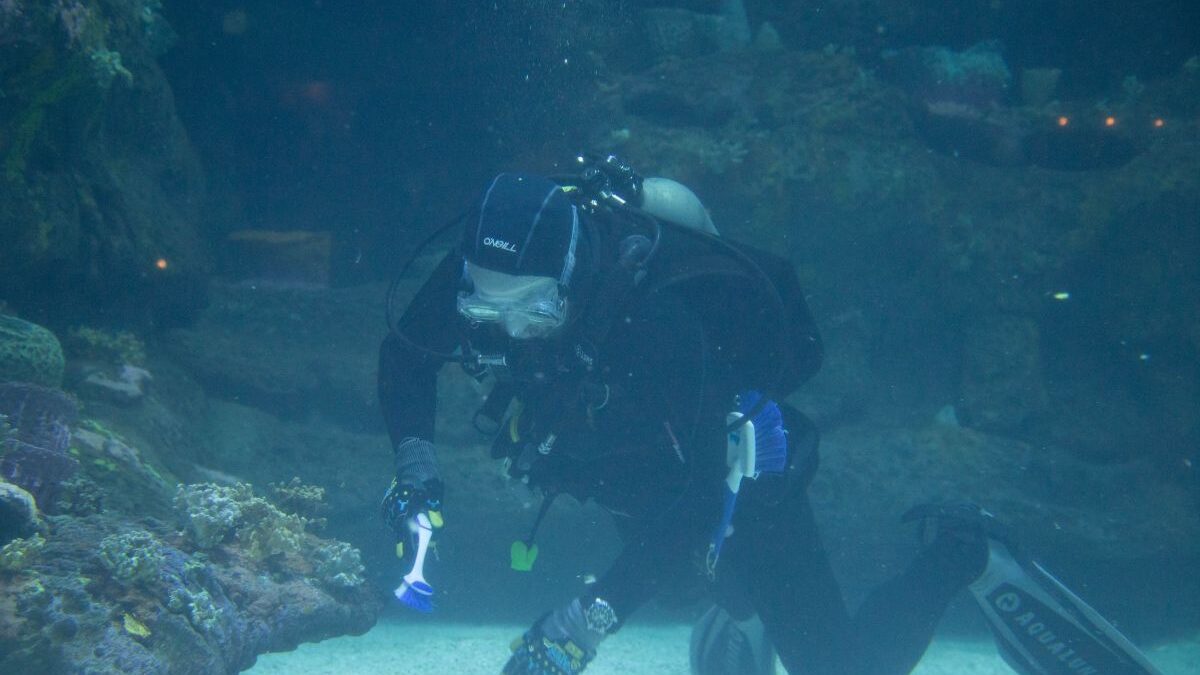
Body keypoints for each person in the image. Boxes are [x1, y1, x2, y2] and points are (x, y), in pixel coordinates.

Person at [377, 157, 1162, 675]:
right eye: (487, 305)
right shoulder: (493, 267)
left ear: (572, 274)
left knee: (837, 665)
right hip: (625, 465)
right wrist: (415, 463)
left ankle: (964, 552)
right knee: (681, 581)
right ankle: (735, 613)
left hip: (736, 477)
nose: (507, 328)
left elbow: (693, 501)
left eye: (535, 310)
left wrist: (576, 628)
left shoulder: (659, 324)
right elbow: (408, 351)